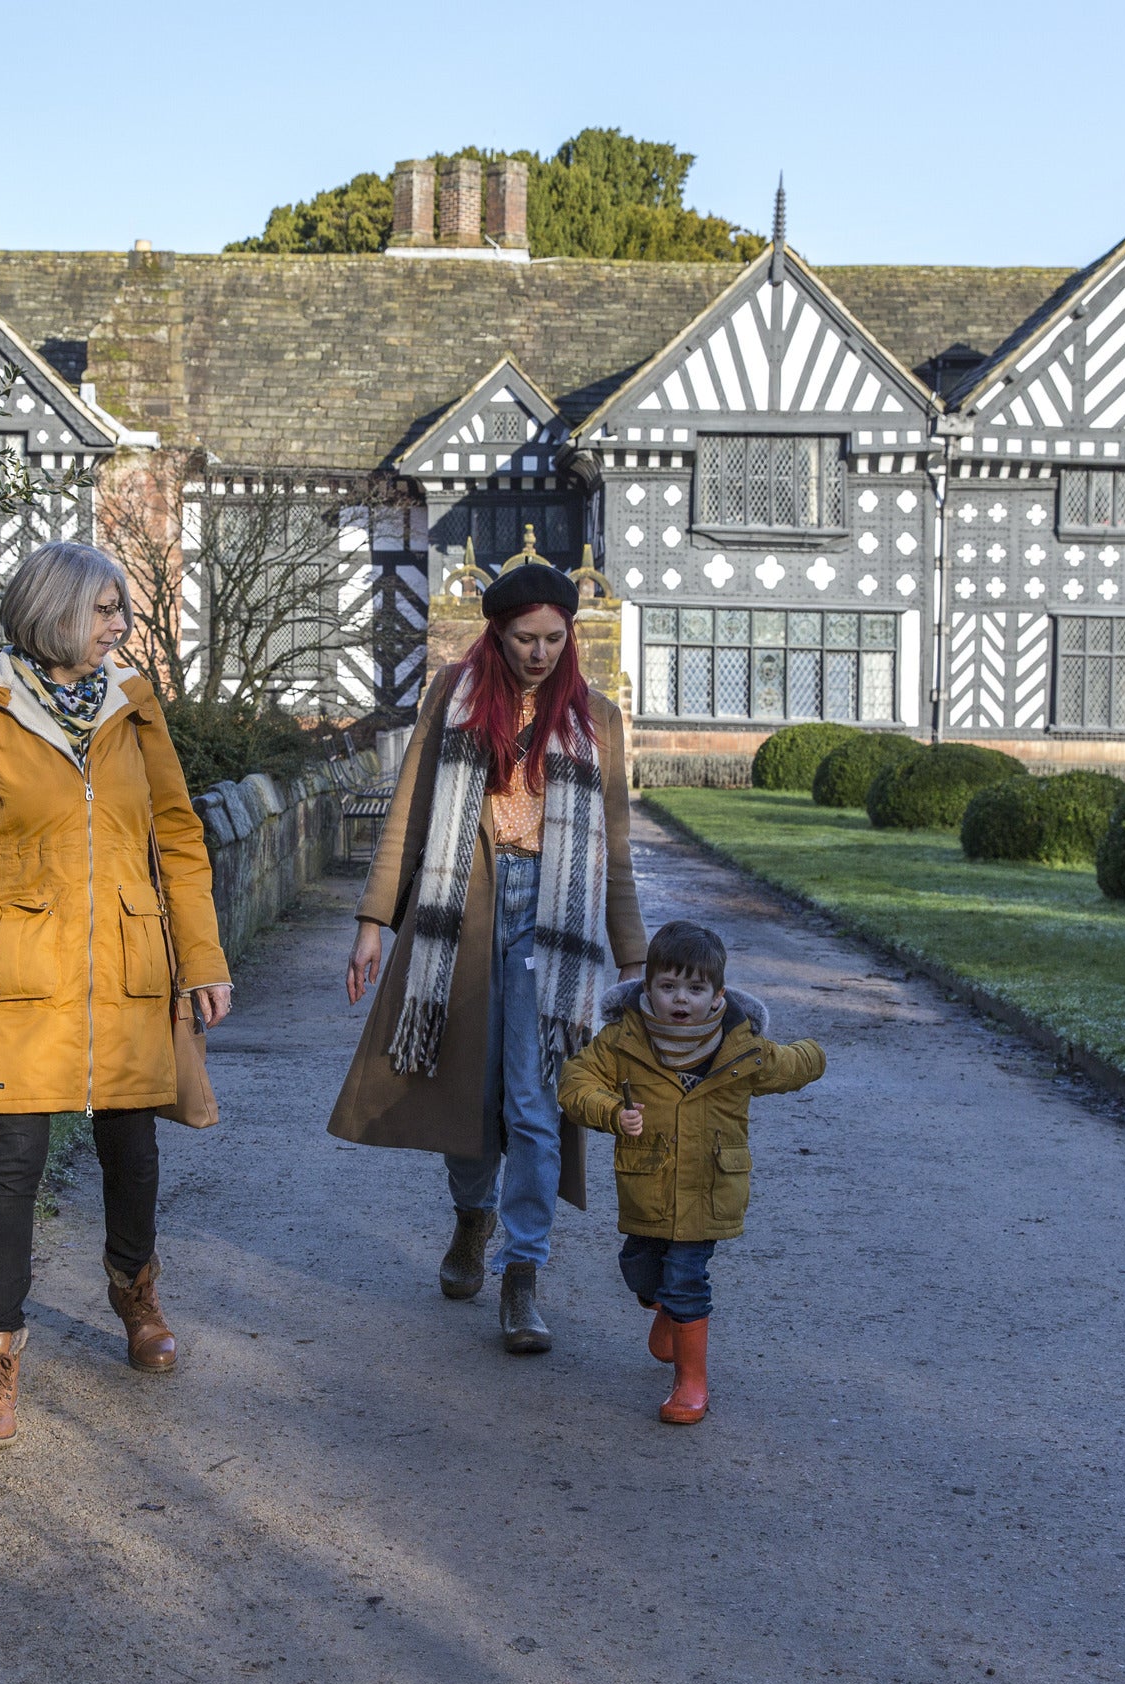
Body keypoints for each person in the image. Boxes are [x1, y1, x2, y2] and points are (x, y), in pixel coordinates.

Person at [0, 542, 232, 1450]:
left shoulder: (134, 706)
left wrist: (204, 957)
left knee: (133, 1149)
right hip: (19, 974)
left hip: (129, 967)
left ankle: (134, 1293)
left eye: (121, 611)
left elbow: (178, 836)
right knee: (12, 1164)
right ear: (56, 611)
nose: (121, 624)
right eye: (106, 609)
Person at [330, 560, 646, 1354]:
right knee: (467, 1096)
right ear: (496, 635)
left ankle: (522, 1274)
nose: (540, 653)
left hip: (556, 922)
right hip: (462, 906)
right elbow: (409, 809)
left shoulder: (597, 719)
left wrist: (634, 958)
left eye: (553, 638)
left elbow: (615, 853)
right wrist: (374, 919)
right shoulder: (456, 695)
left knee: (536, 1107)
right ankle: (471, 1218)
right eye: (523, 639)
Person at [557, 920, 826, 1424]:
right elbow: (576, 1080)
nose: (681, 999)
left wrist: (816, 1055)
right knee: (640, 1270)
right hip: (649, 1186)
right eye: (668, 987)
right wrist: (611, 1110)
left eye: (695, 989)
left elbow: (786, 1066)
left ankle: (691, 1382)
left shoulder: (740, 1048)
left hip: (708, 1188)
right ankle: (660, 1306)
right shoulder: (623, 1040)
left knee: (686, 1277)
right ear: (648, 987)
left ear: (717, 993)